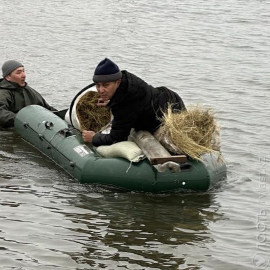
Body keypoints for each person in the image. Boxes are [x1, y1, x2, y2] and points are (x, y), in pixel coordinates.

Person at [82, 58, 186, 146]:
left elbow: (116, 138)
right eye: (98, 85)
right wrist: (111, 103)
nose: (100, 90)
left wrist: (94, 138)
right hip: (165, 97)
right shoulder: (126, 80)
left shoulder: (126, 102)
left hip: (171, 111)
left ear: (117, 82)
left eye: (105, 85)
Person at [0, 60, 56, 128]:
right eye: (19, 72)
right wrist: (22, 119)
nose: (24, 75)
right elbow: (1, 112)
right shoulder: (3, 93)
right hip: (12, 127)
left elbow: (47, 108)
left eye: (23, 71)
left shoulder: (29, 91)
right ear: (8, 77)